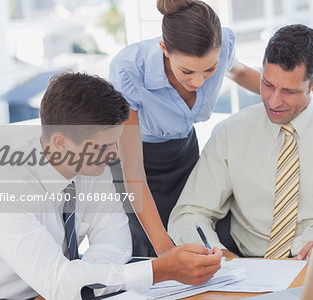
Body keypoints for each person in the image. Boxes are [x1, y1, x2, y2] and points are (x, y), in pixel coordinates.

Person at [0, 73, 222, 300]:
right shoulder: (3, 187)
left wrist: (76, 284)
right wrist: (159, 270)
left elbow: (115, 244)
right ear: (60, 143)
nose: (114, 154)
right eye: (104, 147)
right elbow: (60, 282)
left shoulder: (90, 165)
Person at [168, 24, 313, 260]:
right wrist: (221, 257)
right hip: (252, 270)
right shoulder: (230, 134)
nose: (274, 101)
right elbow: (188, 215)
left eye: (289, 91)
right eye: (268, 84)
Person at [109, 0, 261, 257]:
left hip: (184, 153)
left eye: (210, 70)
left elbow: (240, 73)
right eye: (187, 71)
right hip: (137, 165)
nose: (198, 81)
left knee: (208, 236)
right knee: (154, 253)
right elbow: (133, 172)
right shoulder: (129, 69)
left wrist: (284, 95)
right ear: (164, 49)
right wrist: (166, 250)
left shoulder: (221, 43)